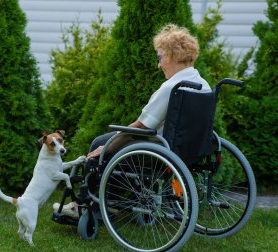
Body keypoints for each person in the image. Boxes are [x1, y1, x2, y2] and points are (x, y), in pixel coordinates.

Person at [53, 24, 211, 218]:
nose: (159, 65)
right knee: (110, 144)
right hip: (189, 152)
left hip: (161, 153)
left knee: (101, 144)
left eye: (159, 58)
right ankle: (109, 201)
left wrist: (108, 147)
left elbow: (141, 126)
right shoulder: (203, 85)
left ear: (172, 55)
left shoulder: (173, 87)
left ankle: (82, 204)